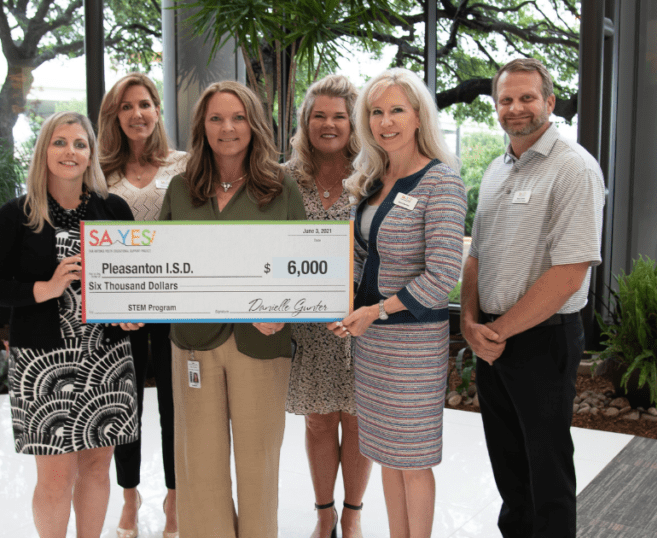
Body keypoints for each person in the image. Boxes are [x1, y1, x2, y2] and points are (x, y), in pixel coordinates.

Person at [461, 58, 605, 538]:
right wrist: (468, 323)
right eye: (506, 100)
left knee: (547, 475)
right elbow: (476, 256)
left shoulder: (574, 168)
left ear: (550, 102)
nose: (515, 108)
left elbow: (569, 274)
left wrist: (496, 331)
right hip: (492, 339)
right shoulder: (496, 170)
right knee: (509, 470)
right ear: (496, 107)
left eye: (526, 98)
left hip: (542, 339)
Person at [155, 80, 305, 538]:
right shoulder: (181, 189)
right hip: (193, 345)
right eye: (216, 117)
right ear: (202, 125)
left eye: (238, 117)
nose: (228, 127)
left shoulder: (280, 187)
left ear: (254, 124)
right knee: (198, 464)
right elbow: (159, 265)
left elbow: (301, 266)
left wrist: (285, 309)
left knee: (259, 464)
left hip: (261, 342)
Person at [0, 111, 137, 538]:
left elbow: (131, 279)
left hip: (105, 357)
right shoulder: (17, 214)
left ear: (91, 154)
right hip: (43, 361)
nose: (71, 152)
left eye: (80, 144)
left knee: (97, 468)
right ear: (44, 150)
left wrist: (131, 314)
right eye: (60, 142)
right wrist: (44, 289)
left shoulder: (112, 208)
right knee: (54, 478)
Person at [330, 68, 466, 538]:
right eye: (376, 112)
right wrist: (343, 303)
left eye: (396, 110)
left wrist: (377, 310)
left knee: (413, 460)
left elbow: (444, 275)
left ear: (418, 116)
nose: (385, 121)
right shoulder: (373, 179)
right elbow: (360, 257)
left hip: (412, 344)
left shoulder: (441, 181)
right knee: (386, 454)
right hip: (371, 342)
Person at [98, 72, 187, 538]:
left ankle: (175, 498)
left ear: (157, 111)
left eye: (145, 104)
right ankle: (130, 497)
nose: (138, 114)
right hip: (122, 308)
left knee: (175, 406)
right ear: (116, 115)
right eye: (127, 106)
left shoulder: (184, 165)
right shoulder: (99, 170)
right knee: (124, 405)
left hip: (174, 303)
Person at [284, 74, 373, 538]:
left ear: (353, 121)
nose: (329, 123)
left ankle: (353, 514)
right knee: (319, 420)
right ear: (306, 121)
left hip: (364, 323)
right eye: (319, 115)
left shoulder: (375, 176)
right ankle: (324, 513)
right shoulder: (284, 179)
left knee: (359, 420)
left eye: (339, 115)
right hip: (308, 327)